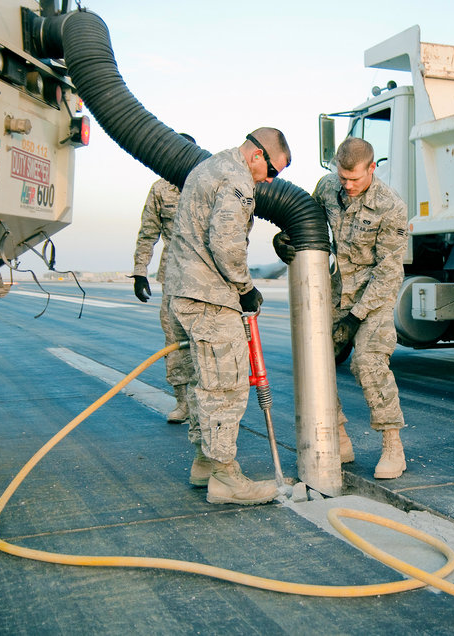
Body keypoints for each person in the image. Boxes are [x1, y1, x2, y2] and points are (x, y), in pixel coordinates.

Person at [164, 128, 291, 505]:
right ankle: (225, 477)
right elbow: (225, 242)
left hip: (185, 292)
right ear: (256, 155)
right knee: (226, 385)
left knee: (201, 380)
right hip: (211, 297)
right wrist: (245, 287)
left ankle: (205, 461)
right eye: (272, 171)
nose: (270, 180)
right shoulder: (237, 180)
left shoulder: (209, 167)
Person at [273, 138, 409, 479]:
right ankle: (340, 437)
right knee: (315, 359)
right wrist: (283, 238)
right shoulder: (328, 187)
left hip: (373, 296)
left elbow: (389, 270)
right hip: (336, 291)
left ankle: (393, 446)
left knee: (368, 361)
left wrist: (355, 318)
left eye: (355, 180)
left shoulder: (390, 206)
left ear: (372, 169)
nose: (347, 186)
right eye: (343, 177)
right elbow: (306, 221)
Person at [129, 133, 196, 425]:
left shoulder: (207, 185)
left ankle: (205, 404)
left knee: (206, 343)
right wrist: (140, 272)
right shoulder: (160, 189)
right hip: (172, 277)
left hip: (206, 276)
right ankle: (183, 403)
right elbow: (148, 233)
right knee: (174, 341)